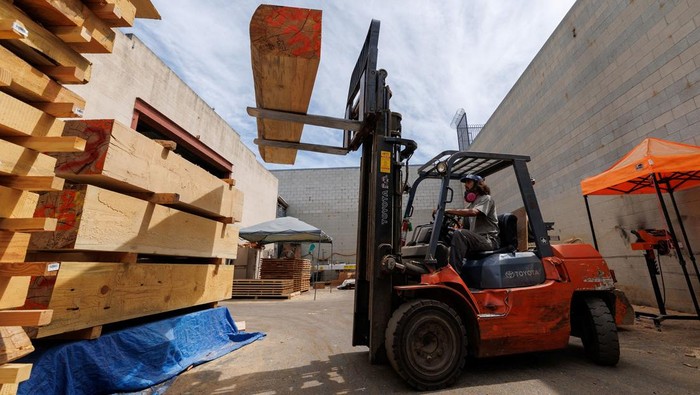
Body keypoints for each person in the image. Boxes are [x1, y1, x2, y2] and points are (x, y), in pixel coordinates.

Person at [445, 174, 499, 273]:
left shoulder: (486, 198)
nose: (466, 185)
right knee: (450, 235)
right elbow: (464, 227)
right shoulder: (470, 205)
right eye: (465, 182)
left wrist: (448, 210)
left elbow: (473, 212)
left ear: (477, 184)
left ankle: (453, 273)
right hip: (477, 240)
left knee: (460, 234)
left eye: (469, 182)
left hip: (488, 240)